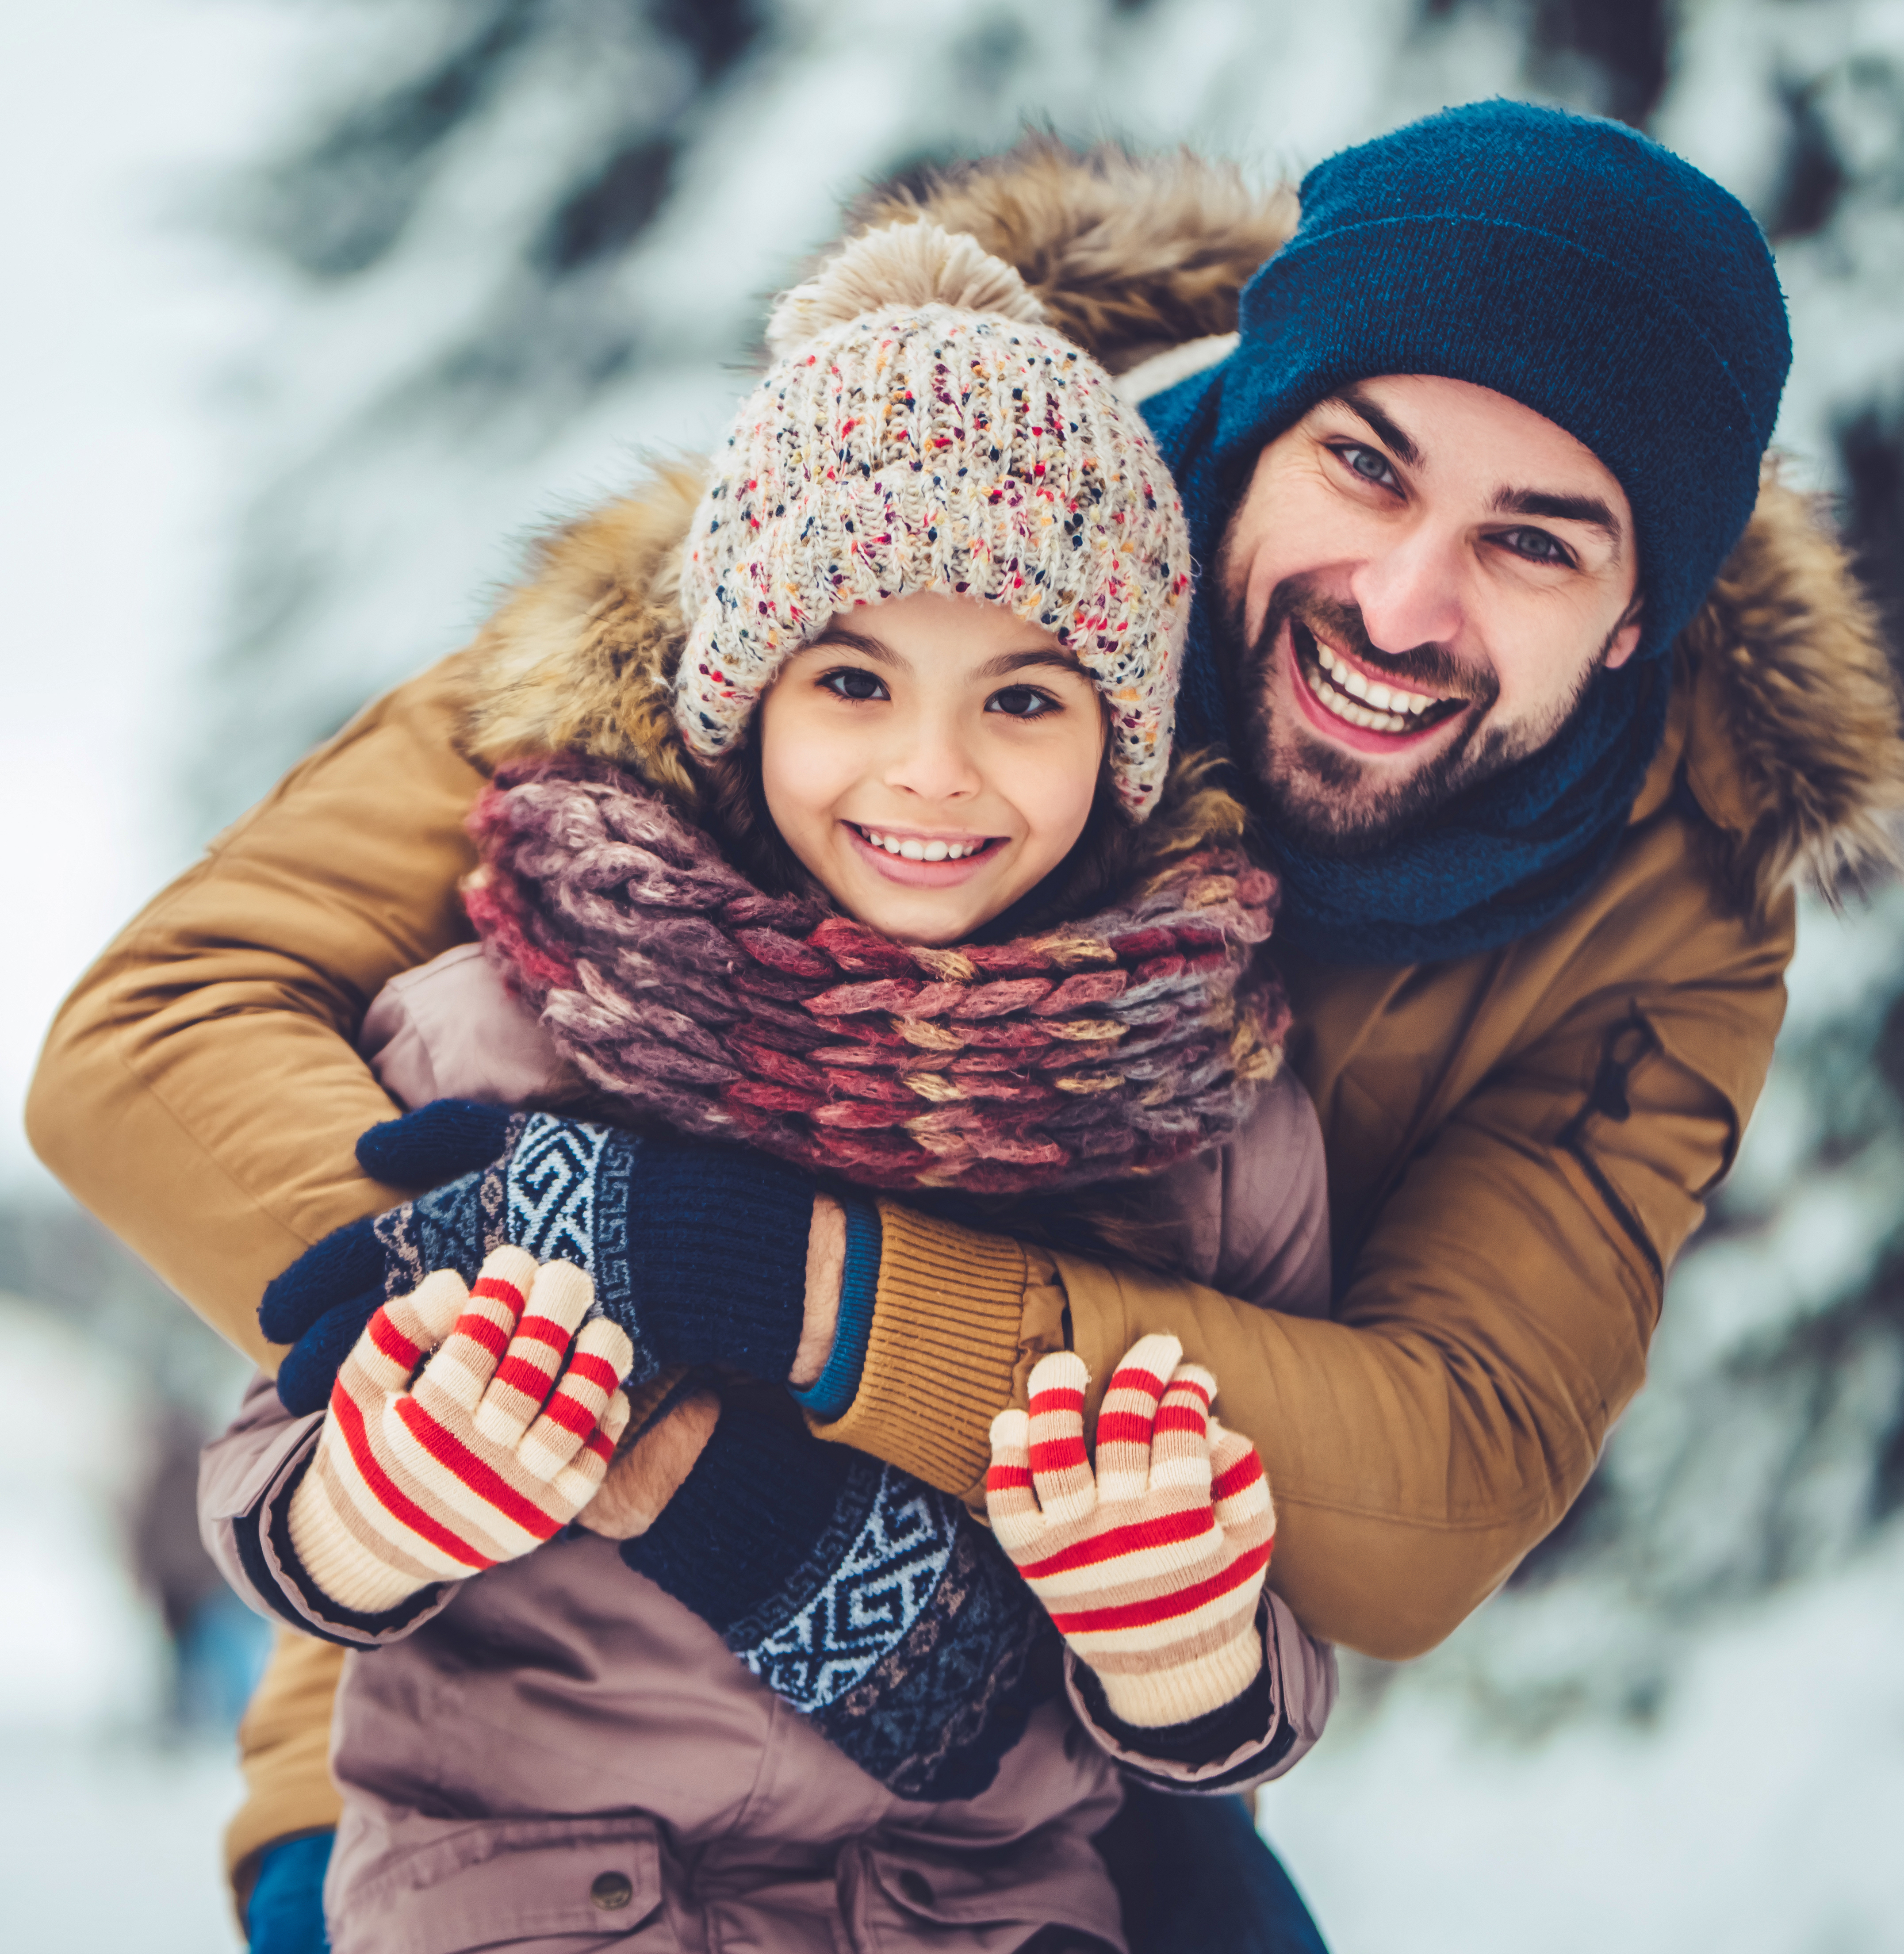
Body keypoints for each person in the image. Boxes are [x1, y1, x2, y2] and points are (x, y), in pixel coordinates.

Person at [28, 101, 1904, 1945]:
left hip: (1042, 1749)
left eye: (1536, 542)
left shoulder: (1659, 916)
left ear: (1628, 622)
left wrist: (803, 1289)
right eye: (1364, 463)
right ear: (1259, 423)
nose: (1403, 598)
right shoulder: (884, 533)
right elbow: (154, 1039)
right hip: (512, 1722)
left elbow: (1432, 1481)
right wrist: (653, 1435)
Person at [196, 216, 1337, 1951]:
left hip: (975, 1909)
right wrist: (374, 1507)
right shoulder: (504, 1033)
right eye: (854, 679)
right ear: (741, 697)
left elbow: (1264, 1646)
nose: (930, 770)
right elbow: (281, 1449)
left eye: (1023, 696)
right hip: (529, 1896)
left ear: (1119, 735)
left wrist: (1179, 1650)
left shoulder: (1209, 1124)